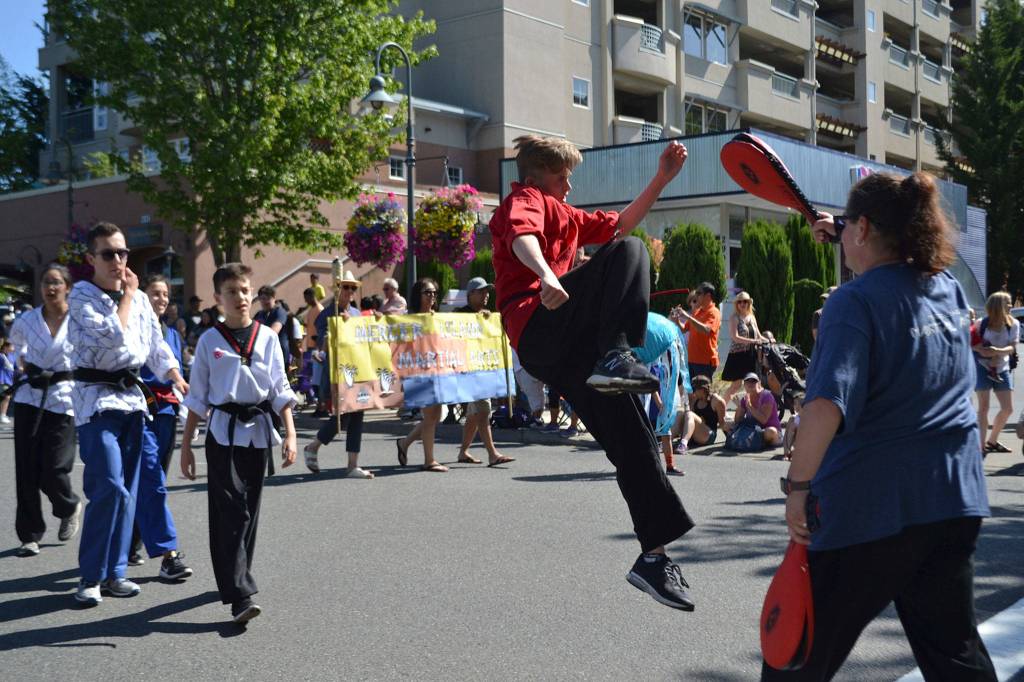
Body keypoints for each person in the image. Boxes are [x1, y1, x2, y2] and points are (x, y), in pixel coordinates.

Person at [765, 172, 995, 680]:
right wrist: (848, 237)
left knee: (796, 658)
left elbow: (825, 406)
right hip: (955, 498)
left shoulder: (853, 302)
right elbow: (893, 306)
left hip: (873, 506)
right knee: (953, 654)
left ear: (864, 228)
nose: (841, 233)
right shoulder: (947, 288)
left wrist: (797, 488)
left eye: (848, 225)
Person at [490, 134, 697, 610]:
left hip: (567, 350)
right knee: (631, 254)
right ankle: (616, 355)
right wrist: (545, 274)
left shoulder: (567, 215)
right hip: (539, 322)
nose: (569, 185)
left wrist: (662, 178)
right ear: (539, 175)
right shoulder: (526, 199)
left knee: (632, 432)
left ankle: (653, 558)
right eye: (563, 176)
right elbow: (522, 236)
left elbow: (619, 222)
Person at [68, 222, 187, 606]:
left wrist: (174, 375)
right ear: (91, 259)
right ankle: (90, 576)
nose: (118, 260)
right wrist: (130, 293)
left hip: (134, 403)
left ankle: (116, 573)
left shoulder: (137, 302)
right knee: (110, 487)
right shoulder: (82, 297)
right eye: (108, 254)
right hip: (96, 402)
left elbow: (154, 343)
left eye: (122, 253)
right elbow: (112, 335)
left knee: (131, 491)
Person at [180, 262, 298, 624]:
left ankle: (235, 575)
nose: (241, 297)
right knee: (231, 510)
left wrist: (290, 433)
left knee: (250, 509)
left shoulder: (266, 336)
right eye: (232, 292)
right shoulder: (209, 341)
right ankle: (240, 595)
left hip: (259, 431)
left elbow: (279, 388)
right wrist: (186, 446)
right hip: (222, 434)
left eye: (245, 290)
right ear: (219, 298)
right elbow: (198, 396)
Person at [8, 265, 82, 558]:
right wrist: (24, 365)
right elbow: (15, 348)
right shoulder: (27, 319)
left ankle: (68, 505)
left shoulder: (77, 321)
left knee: (54, 467)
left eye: (56, 283)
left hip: (64, 399)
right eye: (46, 283)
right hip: (29, 396)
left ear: (67, 287)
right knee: (26, 468)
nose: (50, 288)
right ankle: (29, 535)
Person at [126, 274, 193, 580]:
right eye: (155, 293)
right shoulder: (132, 326)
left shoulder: (172, 334)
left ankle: (130, 543)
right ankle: (165, 552)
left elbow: (174, 369)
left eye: (166, 294)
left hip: (167, 410)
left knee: (154, 478)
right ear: (142, 295)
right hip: (141, 408)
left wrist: (181, 386)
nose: (162, 299)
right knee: (149, 476)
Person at [304, 270, 374, 478]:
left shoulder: (355, 313)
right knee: (342, 417)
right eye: (346, 287)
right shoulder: (327, 313)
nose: (350, 291)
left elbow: (364, 337)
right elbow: (324, 339)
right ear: (338, 289)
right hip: (338, 373)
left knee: (356, 414)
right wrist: (322, 350)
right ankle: (315, 446)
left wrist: (375, 321)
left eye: (353, 288)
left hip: (357, 370)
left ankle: (351, 464)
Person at [454, 277, 515, 467]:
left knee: (475, 413)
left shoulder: (488, 316)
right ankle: (492, 453)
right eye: (481, 291)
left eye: (487, 291)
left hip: (484, 370)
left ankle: (463, 452)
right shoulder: (459, 314)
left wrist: (488, 321)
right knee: (483, 409)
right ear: (470, 295)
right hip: (468, 372)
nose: (486, 295)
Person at [396, 278, 452, 473]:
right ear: (417, 295)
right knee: (429, 416)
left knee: (435, 416)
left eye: (434, 293)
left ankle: (404, 443)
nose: (432, 297)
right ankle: (429, 460)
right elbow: (401, 349)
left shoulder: (438, 318)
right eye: (427, 293)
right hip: (418, 374)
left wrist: (482, 318)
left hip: (437, 372)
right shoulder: (410, 319)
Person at [973, 291, 1019, 454]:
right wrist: (983, 351)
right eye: (1008, 302)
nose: (1011, 306)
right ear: (998, 305)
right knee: (983, 408)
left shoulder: (1013, 324)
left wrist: (997, 351)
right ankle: (980, 446)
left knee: (1007, 409)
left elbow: (1012, 347)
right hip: (981, 367)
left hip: (1002, 368)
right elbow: (972, 342)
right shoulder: (981, 323)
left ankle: (992, 442)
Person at [720, 291, 769, 406]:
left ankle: (753, 407)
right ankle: (720, 409)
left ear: (749, 303)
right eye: (740, 302)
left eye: (745, 301)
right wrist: (754, 341)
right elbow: (735, 337)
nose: (742, 304)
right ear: (737, 304)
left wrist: (768, 340)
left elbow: (758, 334)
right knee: (736, 385)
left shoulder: (752, 317)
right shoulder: (734, 317)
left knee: (753, 383)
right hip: (738, 355)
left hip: (751, 355)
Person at [672, 282, 721, 381]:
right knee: (693, 394)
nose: (696, 296)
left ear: (708, 296)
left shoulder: (714, 312)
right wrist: (676, 320)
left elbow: (707, 330)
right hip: (692, 360)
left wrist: (687, 316)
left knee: (702, 394)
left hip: (705, 362)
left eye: (699, 293)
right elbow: (684, 329)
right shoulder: (697, 312)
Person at [732, 373, 782, 448]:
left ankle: (755, 442)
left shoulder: (767, 396)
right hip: (754, 432)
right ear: (744, 385)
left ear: (759, 383)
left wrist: (750, 407)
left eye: (753, 381)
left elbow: (763, 420)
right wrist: (739, 407)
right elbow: (738, 422)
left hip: (768, 432)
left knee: (770, 431)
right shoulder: (745, 399)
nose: (750, 384)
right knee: (728, 425)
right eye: (748, 382)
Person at [681, 374, 727, 450]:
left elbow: (722, 423)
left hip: (708, 435)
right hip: (696, 434)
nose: (693, 392)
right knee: (680, 413)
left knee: (689, 414)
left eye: (694, 389)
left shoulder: (716, 400)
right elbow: (689, 420)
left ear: (702, 389)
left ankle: (683, 444)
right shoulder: (694, 399)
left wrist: (730, 439)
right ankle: (666, 441)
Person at [301, 287, 326, 417]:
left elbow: (321, 329)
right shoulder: (311, 310)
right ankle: (318, 404)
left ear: (311, 296)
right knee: (313, 378)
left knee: (318, 378)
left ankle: (321, 406)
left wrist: (318, 347)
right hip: (311, 346)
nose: (305, 301)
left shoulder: (320, 310)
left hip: (317, 347)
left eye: (306, 298)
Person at [254, 284, 291, 369]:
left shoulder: (279, 312)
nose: (265, 302)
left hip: (279, 354)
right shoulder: (259, 314)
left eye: (267, 298)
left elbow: (273, 332)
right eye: (262, 299)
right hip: (264, 354)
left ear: (274, 297)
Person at [0, 340, 16, 424]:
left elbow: (15, 368)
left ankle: (3, 414)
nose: (13, 348)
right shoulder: (1, 356)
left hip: (9, 381)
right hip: (2, 380)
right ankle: (2, 415)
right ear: (6, 347)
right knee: (6, 397)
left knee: (6, 398)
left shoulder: (12, 356)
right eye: (12, 346)